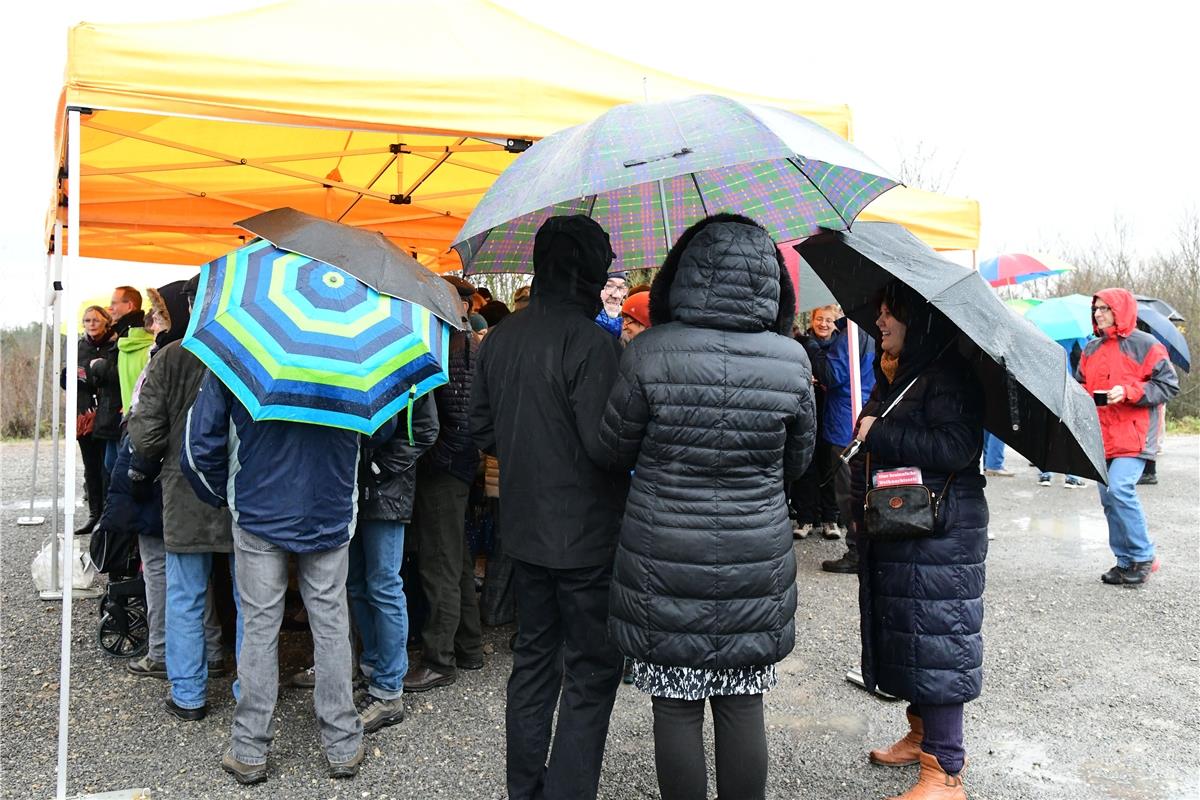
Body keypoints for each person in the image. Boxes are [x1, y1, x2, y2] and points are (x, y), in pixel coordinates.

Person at [598, 214, 815, 800]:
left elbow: (613, 450)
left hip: (663, 554)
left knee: (675, 705)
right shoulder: (790, 360)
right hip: (755, 550)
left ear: (683, 275)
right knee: (743, 700)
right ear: (770, 282)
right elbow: (798, 463)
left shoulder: (649, 352)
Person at [470, 215, 628, 800]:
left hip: (525, 528)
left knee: (534, 661)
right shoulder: (593, 343)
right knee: (590, 670)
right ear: (586, 272)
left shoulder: (501, 338)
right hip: (588, 536)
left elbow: (480, 429)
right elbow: (605, 445)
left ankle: (525, 790)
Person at [183, 377, 390, 783]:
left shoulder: (241, 353)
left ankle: (249, 748)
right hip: (329, 506)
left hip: (259, 507)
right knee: (330, 623)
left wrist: (226, 495)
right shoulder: (351, 354)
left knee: (260, 626)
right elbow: (380, 429)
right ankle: (343, 744)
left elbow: (198, 446)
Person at [850, 280, 987, 800]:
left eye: (891, 315)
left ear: (920, 322)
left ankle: (945, 772)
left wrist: (878, 432)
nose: (879, 323)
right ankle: (921, 733)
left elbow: (956, 446)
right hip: (908, 525)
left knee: (939, 642)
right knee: (912, 633)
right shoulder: (901, 374)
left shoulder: (946, 374)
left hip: (941, 531)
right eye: (880, 312)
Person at [127, 278, 237, 711]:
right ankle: (249, 692)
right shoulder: (246, 357)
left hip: (184, 486)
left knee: (186, 593)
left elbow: (148, 433)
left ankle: (188, 693)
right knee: (250, 597)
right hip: (238, 490)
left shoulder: (171, 358)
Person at [404, 275, 484, 693]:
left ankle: (440, 659)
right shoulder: (467, 344)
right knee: (455, 557)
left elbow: (454, 422)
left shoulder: (447, 346)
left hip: (443, 469)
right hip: (458, 466)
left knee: (439, 563)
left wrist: (432, 460)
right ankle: (469, 647)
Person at [349, 393, 439, 732]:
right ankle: (373, 668)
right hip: (352, 488)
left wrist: (379, 466)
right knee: (357, 584)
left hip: (386, 491)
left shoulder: (404, 362)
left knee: (383, 584)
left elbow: (426, 428)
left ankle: (388, 688)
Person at [1076, 288, 1179, 586]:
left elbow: (1169, 386)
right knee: (1108, 499)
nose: (1098, 313)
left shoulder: (1146, 344)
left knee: (1120, 489)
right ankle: (1124, 562)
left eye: (1105, 308)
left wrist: (1130, 391)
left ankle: (1145, 555)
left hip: (1134, 437)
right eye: (1096, 308)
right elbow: (1082, 385)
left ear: (1120, 310)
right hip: (1101, 437)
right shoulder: (1091, 349)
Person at [819, 316, 877, 573]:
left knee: (849, 492)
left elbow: (833, 374)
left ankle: (856, 550)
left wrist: (812, 350)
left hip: (846, 422)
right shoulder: (872, 331)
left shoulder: (854, 333)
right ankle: (866, 548)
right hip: (862, 417)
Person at [792, 305, 841, 539]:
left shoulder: (841, 347)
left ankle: (830, 518)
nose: (823, 324)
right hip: (807, 409)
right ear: (812, 320)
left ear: (835, 323)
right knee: (806, 465)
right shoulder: (802, 345)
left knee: (829, 465)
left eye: (829, 320)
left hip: (831, 412)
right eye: (820, 319)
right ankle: (805, 518)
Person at [72, 305, 118, 535]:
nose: (91, 324)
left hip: (108, 415)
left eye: (95, 320)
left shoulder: (114, 344)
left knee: (106, 467)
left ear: (106, 322)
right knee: (90, 468)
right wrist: (89, 373)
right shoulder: (78, 346)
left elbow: (108, 376)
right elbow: (69, 377)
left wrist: (88, 374)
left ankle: (108, 516)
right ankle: (93, 514)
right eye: (87, 320)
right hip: (85, 414)